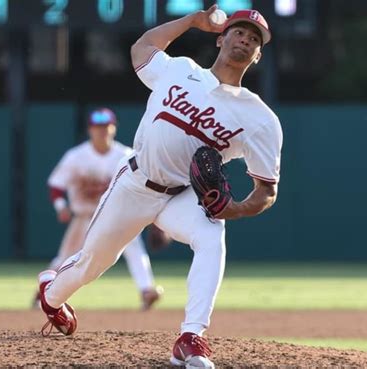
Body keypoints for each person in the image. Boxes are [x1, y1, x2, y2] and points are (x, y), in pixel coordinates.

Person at [37, 6, 282, 368]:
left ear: (258, 54)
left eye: (253, 39)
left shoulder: (259, 119)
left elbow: (266, 190)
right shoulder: (180, 70)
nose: (244, 40)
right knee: (92, 264)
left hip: (182, 195)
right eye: (239, 32)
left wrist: (237, 208)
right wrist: (190, 21)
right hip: (134, 184)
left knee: (212, 237)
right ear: (221, 38)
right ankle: (51, 296)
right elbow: (141, 49)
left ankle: (191, 337)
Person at [35, 108, 164, 311]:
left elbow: (144, 186)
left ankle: (147, 290)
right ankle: (45, 291)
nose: (102, 131)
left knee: (134, 249)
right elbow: (56, 184)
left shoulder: (126, 154)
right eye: (98, 127)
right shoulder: (76, 156)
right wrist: (61, 206)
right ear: (90, 130)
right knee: (66, 257)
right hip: (85, 216)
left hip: (117, 215)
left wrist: (156, 222)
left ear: (114, 128)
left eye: (106, 126)